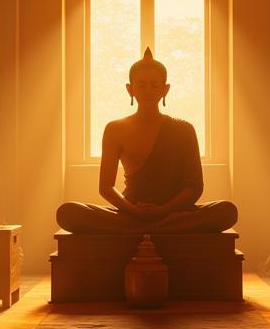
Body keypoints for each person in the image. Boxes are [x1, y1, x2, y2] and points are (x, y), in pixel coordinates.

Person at [57, 48, 237, 234]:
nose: (148, 91)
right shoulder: (115, 129)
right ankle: (155, 228)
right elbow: (106, 187)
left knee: (226, 210)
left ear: (165, 90)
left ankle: (144, 228)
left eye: (155, 85)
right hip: (131, 213)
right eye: (142, 85)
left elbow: (194, 187)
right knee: (68, 212)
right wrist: (134, 211)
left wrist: (163, 211)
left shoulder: (184, 129)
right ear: (130, 89)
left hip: (172, 213)